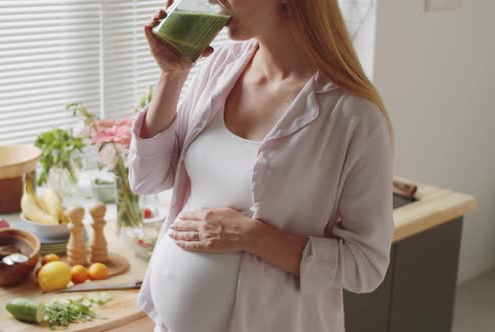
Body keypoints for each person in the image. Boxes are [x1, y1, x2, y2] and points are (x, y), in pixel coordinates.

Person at [128, 0, 394, 331]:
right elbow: (146, 179)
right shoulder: (220, 68)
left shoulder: (353, 115)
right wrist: (173, 73)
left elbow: (366, 264)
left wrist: (253, 237)